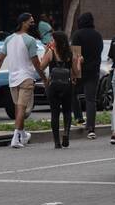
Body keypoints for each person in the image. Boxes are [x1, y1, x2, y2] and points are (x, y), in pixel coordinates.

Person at [0, 13, 45, 148]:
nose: (33, 24)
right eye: (31, 22)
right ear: (23, 23)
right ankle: (16, 137)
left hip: (13, 79)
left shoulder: (9, 40)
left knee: (19, 108)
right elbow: (36, 63)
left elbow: (0, 59)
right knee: (21, 109)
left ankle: (23, 135)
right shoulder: (30, 40)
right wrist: (44, 78)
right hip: (26, 77)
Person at [39, 31, 80, 148]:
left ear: (56, 41)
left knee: (55, 113)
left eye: (52, 40)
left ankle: (57, 142)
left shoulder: (51, 53)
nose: (51, 42)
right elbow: (76, 73)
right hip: (67, 85)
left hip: (53, 86)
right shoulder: (70, 53)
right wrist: (77, 62)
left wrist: (46, 51)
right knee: (67, 111)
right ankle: (66, 132)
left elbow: (41, 67)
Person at [71, 12, 104, 140]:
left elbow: (75, 55)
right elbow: (99, 52)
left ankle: (79, 118)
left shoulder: (77, 34)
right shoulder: (98, 35)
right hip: (94, 71)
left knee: (72, 93)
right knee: (91, 100)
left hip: (80, 70)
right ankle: (91, 128)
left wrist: (74, 73)